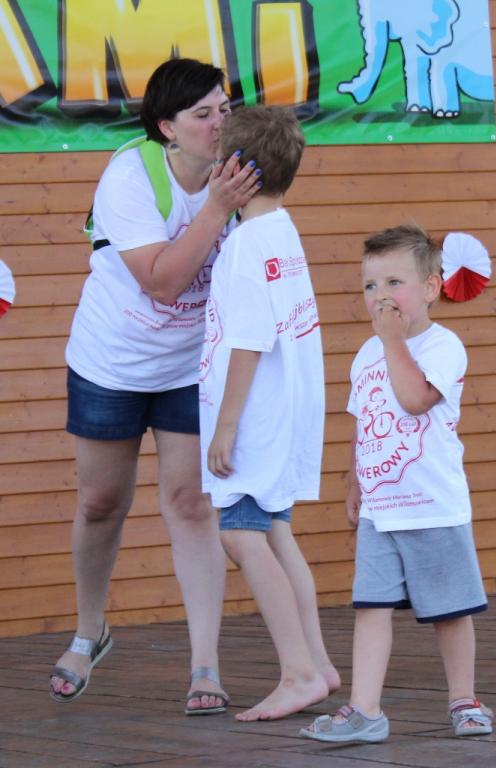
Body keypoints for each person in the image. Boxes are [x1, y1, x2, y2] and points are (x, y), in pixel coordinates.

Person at [49, 57, 261, 714]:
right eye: (203, 114)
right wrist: (217, 208)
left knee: (193, 506)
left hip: (189, 368)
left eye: (225, 109)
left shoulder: (242, 175)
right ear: (167, 127)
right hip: (111, 363)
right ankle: (90, 631)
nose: (220, 123)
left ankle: (205, 665)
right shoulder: (130, 175)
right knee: (100, 503)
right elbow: (163, 282)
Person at [301, 224, 494, 744]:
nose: (380, 296)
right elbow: (364, 421)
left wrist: (391, 340)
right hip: (381, 511)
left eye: (394, 283)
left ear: (430, 287)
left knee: (450, 611)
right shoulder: (366, 353)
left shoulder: (444, 346)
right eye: (370, 285)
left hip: (433, 508)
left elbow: (413, 400)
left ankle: (464, 699)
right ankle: (366, 710)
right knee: (370, 607)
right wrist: (353, 481)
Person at [199, 105, 340, 721]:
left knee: (239, 533)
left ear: (235, 169)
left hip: (257, 417)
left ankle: (299, 673)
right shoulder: (281, 229)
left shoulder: (245, 245)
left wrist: (226, 425)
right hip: (288, 408)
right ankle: (319, 663)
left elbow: (249, 340)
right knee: (276, 532)